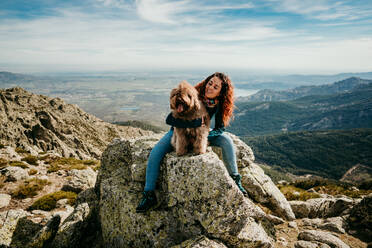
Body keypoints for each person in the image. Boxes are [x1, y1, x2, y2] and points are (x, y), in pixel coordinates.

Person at [136, 72, 247, 213]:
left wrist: (206, 135)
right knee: (155, 153)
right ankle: (149, 194)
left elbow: (220, 128)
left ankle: (235, 179)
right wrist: (195, 123)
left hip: (201, 131)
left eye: (216, 86)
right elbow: (170, 120)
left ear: (221, 92)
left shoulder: (218, 104)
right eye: (210, 83)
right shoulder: (191, 93)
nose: (210, 87)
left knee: (227, 140)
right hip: (178, 130)